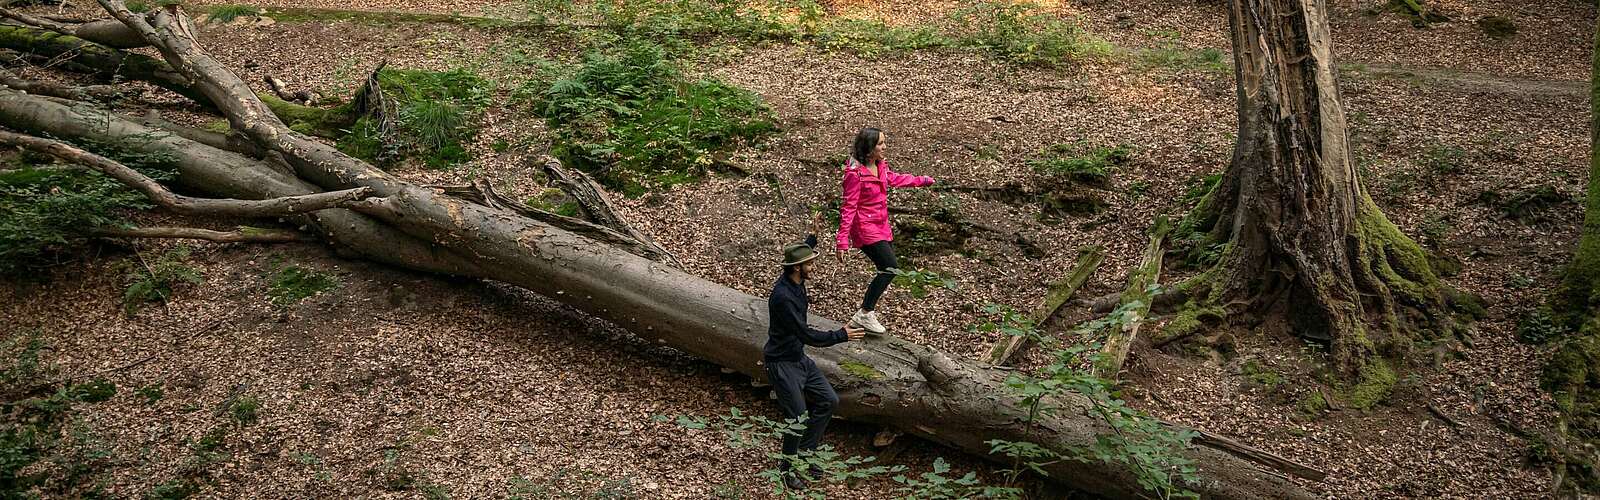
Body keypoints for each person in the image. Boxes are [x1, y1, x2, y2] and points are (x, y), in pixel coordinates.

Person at [766, 234, 867, 491]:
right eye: (809, 264)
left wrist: (812, 239)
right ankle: (786, 470)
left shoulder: (796, 278)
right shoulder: (782, 298)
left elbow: (800, 253)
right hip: (782, 364)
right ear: (797, 268)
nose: (813, 268)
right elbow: (807, 335)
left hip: (799, 359)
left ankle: (806, 452)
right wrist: (840, 335)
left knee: (828, 400)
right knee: (797, 417)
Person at [834, 127, 936, 334]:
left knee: (886, 269)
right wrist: (842, 240)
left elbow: (894, 179)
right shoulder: (854, 174)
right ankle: (865, 314)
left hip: (882, 225)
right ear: (869, 147)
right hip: (864, 227)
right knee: (890, 267)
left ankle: (860, 318)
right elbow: (848, 207)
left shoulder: (880, 166)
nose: (884, 147)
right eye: (880, 143)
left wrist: (920, 180)